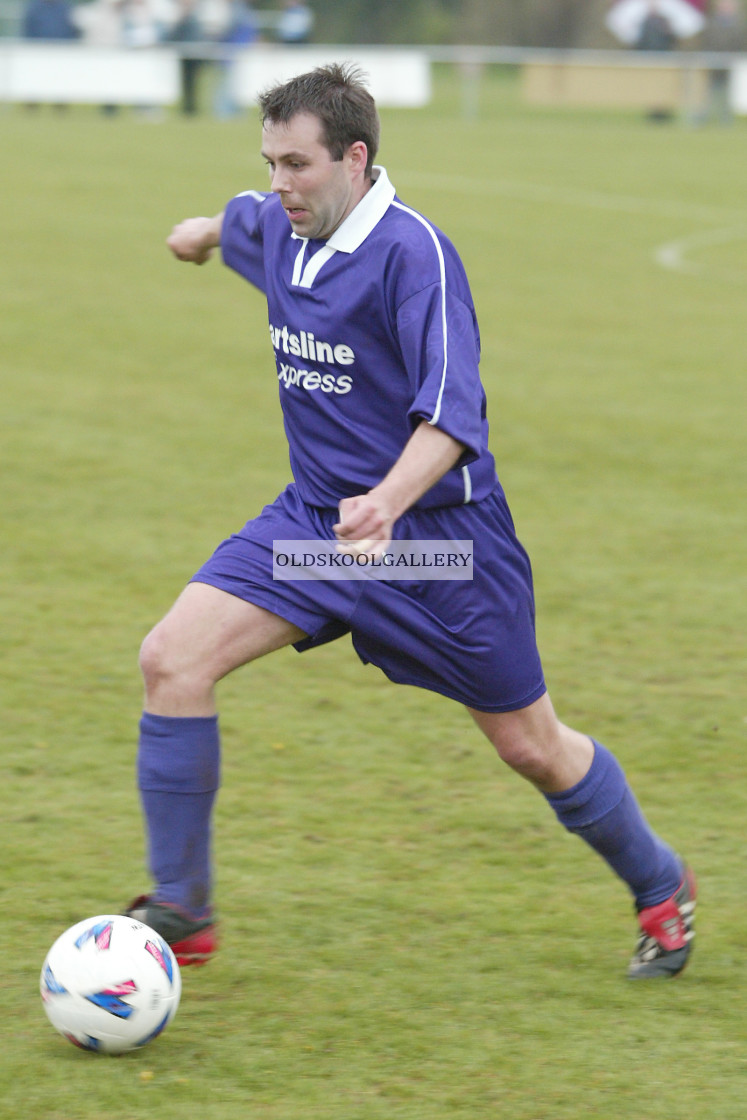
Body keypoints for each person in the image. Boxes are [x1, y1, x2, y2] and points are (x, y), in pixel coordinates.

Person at [124, 64, 696, 980]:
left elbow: (452, 415)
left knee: (531, 746)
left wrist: (388, 502)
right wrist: (198, 234)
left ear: (354, 158)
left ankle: (660, 882)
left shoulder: (413, 255)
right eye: (269, 162)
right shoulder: (280, 223)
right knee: (172, 660)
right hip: (315, 535)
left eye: (298, 164)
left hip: (439, 549)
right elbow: (238, 223)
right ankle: (183, 908)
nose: (281, 183)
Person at [697, 0, 747, 125]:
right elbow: (705, 41)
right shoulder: (711, 23)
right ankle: (703, 118)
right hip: (712, 65)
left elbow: (741, 44)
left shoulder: (739, 25)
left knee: (728, 93)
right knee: (708, 93)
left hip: (731, 66)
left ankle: (726, 120)